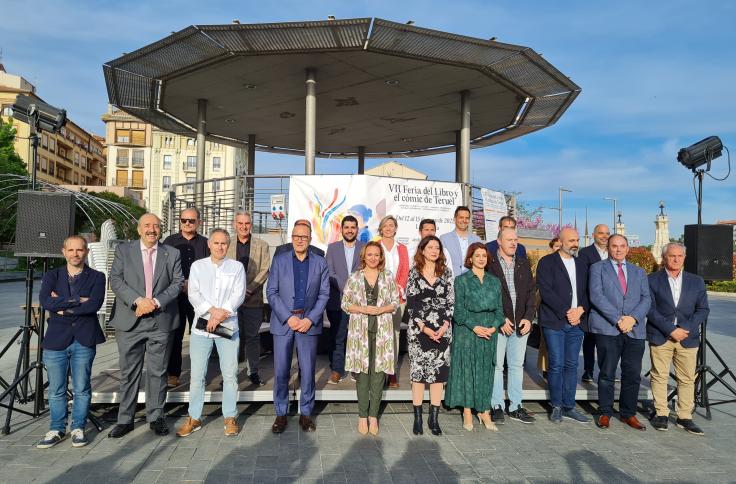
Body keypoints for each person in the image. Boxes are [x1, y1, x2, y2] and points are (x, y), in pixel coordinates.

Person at [107, 213, 184, 438]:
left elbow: (178, 282)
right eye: (147, 226)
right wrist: (138, 301)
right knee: (129, 372)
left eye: (156, 226)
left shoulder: (172, 253)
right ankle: (125, 419)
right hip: (131, 319)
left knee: (158, 372)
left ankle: (156, 416)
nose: (152, 229)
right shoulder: (124, 250)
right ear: (139, 229)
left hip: (161, 320)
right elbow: (116, 280)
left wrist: (155, 302)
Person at [36, 236, 106, 449]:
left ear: (86, 252)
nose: (75, 254)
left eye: (80, 250)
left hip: (84, 339)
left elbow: (94, 305)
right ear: (63, 251)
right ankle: (57, 428)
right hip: (56, 339)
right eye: (71, 250)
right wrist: (78, 300)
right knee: (56, 389)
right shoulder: (51, 275)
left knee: (82, 388)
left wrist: (62, 305)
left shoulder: (97, 276)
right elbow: (45, 302)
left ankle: (78, 428)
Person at [176, 229, 245, 438]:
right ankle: (194, 417)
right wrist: (211, 312)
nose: (220, 246)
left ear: (228, 245)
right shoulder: (198, 266)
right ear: (209, 244)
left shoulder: (237, 267)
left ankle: (230, 417)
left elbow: (238, 294)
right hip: (202, 328)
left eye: (224, 243)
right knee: (197, 376)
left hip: (227, 326)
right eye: (216, 243)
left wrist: (219, 316)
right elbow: (193, 293)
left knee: (230, 374)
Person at [266, 222, 330, 433]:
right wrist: (287, 317)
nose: (300, 240)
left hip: (308, 324)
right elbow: (272, 292)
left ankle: (305, 413)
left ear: (310, 239)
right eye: (296, 236)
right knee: (282, 370)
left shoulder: (320, 263)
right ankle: (281, 414)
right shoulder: (279, 260)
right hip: (284, 323)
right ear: (291, 238)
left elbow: (324, 295)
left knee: (308, 371)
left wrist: (310, 319)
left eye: (304, 237)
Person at [588, 234, 651, 430]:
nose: (618, 249)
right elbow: (596, 297)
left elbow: (646, 299)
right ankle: (605, 412)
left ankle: (628, 414)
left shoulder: (639, 272)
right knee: (607, 373)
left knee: (632, 374)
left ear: (628, 248)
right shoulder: (597, 268)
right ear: (608, 248)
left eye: (622, 246)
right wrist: (618, 319)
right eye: (614, 246)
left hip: (635, 330)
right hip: (608, 329)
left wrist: (632, 319)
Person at [647, 242, 709, 435]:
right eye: (672, 256)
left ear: (684, 258)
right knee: (659, 375)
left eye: (679, 256)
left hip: (687, 337)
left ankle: (684, 416)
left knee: (687, 378)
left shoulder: (696, 281)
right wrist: (670, 329)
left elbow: (703, 309)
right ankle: (661, 414)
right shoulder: (652, 280)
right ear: (664, 258)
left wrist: (684, 328)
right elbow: (649, 309)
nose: (676, 259)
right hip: (661, 335)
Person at [341, 242, 399, 435]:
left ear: (381, 257)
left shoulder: (388, 276)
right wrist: (363, 309)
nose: (373, 258)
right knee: (362, 375)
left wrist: (381, 309)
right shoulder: (355, 277)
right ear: (363, 256)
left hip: (382, 331)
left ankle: (373, 416)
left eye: (377, 255)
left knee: (379, 374)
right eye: (370, 255)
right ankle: (362, 416)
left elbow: (395, 302)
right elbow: (345, 304)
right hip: (360, 331)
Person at [445, 242, 504, 432]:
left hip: (489, 333)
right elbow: (458, 311)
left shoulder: (495, 281)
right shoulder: (461, 281)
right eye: (477, 255)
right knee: (468, 371)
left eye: (484, 256)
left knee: (486, 372)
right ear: (470, 258)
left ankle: (484, 410)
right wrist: (475, 327)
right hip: (467, 331)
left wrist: (493, 328)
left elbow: (500, 311)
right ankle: (468, 411)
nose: (481, 258)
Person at [536, 228, 590, 424]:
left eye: (577, 240)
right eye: (571, 240)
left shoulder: (582, 264)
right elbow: (546, 291)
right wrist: (568, 311)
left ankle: (569, 406)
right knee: (556, 364)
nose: (575, 243)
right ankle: (556, 405)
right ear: (561, 241)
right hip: (555, 321)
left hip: (577, 323)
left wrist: (580, 310)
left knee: (572, 364)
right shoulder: (547, 263)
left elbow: (587, 292)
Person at [486, 228, 537, 424]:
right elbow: (489, 296)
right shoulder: (490, 265)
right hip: (500, 324)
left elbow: (531, 292)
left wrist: (528, 317)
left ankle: (516, 406)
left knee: (516, 366)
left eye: (516, 240)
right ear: (499, 241)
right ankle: (496, 405)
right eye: (509, 240)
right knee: (497, 366)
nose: (513, 243)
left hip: (521, 324)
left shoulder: (523, 263)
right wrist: (499, 319)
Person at [405, 236, 454, 436]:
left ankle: (433, 419)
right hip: (419, 331)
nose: (434, 250)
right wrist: (424, 327)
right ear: (422, 250)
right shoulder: (414, 274)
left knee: (438, 376)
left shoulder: (447, 273)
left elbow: (451, 301)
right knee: (418, 375)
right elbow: (411, 302)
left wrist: (444, 325)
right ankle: (417, 419)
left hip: (442, 331)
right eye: (430, 247)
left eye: (437, 247)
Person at [162, 207, 209, 388]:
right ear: (179, 221)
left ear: (199, 222)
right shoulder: (169, 242)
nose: (187, 224)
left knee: (202, 336)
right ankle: (173, 374)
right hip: (176, 297)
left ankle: (200, 375)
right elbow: (163, 268)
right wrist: (179, 284)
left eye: (191, 220)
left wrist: (194, 284)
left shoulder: (206, 243)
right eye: (184, 220)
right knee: (175, 336)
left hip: (200, 298)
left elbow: (211, 269)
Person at [226, 211, 271, 386]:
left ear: (251, 224)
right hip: (230, 302)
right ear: (234, 224)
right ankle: (230, 375)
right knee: (231, 338)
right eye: (240, 223)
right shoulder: (227, 243)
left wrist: (249, 289)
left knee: (252, 337)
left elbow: (264, 270)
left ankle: (253, 372)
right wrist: (237, 292)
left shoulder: (262, 245)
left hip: (253, 300)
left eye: (247, 223)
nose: (244, 227)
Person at [325, 215, 366, 384]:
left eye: (353, 227)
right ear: (341, 229)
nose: (349, 230)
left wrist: (354, 290)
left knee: (357, 336)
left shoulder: (364, 247)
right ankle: (337, 370)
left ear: (357, 230)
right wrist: (346, 288)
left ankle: (357, 369)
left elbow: (366, 270)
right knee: (338, 336)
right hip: (337, 300)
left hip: (359, 301)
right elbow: (329, 272)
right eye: (346, 227)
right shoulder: (332, 248)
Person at [378, 215, 409, 388]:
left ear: (396, 228)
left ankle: (391, 373)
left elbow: (405, 269)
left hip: (398, 298)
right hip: (379, 299)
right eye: (385, 225)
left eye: (391, 225)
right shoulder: (375, 247)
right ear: (381, 229)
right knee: (380, 336)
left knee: (395, 335)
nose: (389, 228)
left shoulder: (402, 248)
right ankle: (379, 372)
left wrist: (399, 287)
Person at [577, 224, 610, 383]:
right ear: (594, 235)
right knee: (590, 340)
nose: (604, 236)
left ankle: (607, 371)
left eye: (607, 233)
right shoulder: (585, 253)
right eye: (601, 233)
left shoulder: (613, 252)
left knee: (608, 341)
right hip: (591, 304)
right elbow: (583, 279)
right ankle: (588, 370)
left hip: (611, 305)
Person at [440, 206, 481, 277]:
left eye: (467, 218)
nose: (464, 220)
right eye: (461, 217)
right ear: (454, 219)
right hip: (452, 280)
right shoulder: (444, 239)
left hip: (473, 280)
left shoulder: (477, 239)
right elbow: (440, 262)